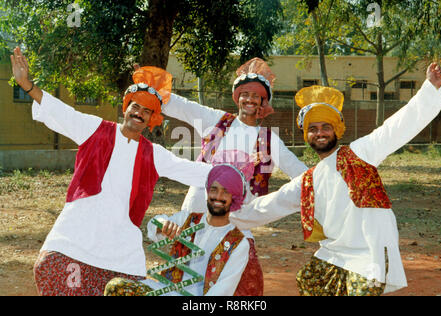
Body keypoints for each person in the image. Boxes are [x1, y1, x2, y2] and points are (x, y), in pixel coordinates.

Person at [229, 63, 441, 296]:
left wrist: (429, 89)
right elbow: (269, 206)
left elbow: (396, 127)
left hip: (369, 254)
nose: (320, 132)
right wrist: (224, 217)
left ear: (337, 130)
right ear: (307, 135)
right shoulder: (308, 181)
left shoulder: (361, 153)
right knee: (309, 278)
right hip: (336, 254)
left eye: (326, 127)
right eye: (313, 128)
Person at [10, 47, 213, 296]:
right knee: (53, 274)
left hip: (120, 253)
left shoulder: (154, 154)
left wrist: (238, 171)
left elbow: (195, 172)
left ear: (152, 119)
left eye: (147, 111)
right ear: (125, 108)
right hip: (73, 240)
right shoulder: (95, 129)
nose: (139, 113)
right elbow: (62, 113)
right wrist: (27, 85)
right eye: (135, 107)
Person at [159, 57, 308, 213]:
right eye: (245, 94)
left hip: (236, 221)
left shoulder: (269, 140)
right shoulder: (217, 120)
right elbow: (183, 106)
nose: (250, 99)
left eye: (256, 96)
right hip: (196, 211)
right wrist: (148, 89)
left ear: (263, 102)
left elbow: (299, 172)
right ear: (238, 98)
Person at [104, 151, 263, 296]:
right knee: (116, 287)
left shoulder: (240, 241)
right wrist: (163, 224)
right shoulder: (190, 219)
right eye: (214, 189)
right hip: (167, 290)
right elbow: (153, 224)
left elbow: (222, 291)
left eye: (226, 191)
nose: (218, 196)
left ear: (234, 197)